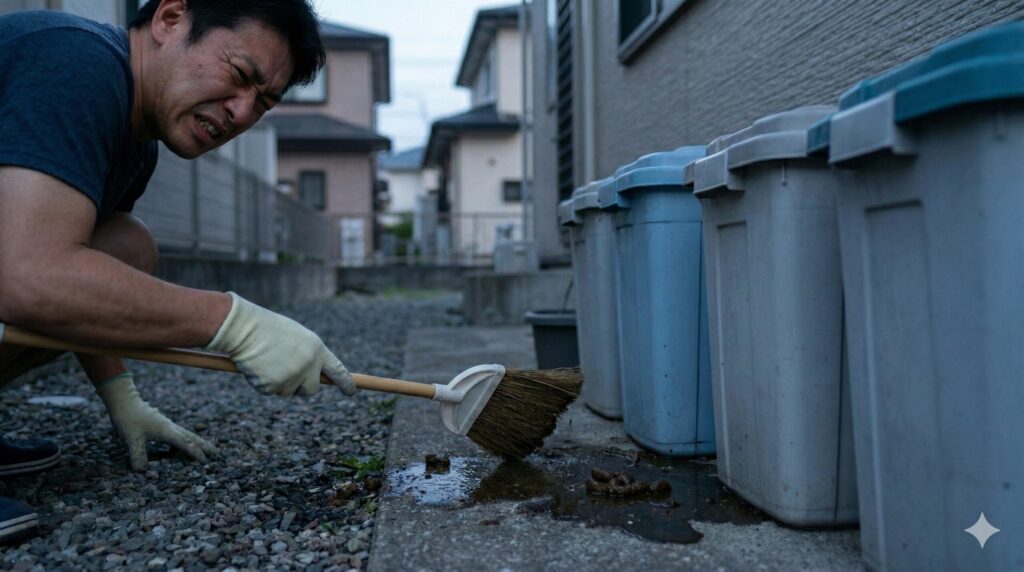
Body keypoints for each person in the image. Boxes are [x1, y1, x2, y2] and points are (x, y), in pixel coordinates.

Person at [0, 0, 356, 543]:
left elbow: (82, 276)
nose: (241, 112)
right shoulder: (75, 60)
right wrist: (234, 323)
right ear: (170, 19)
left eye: (262, 102)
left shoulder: (136, 143)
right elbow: (29, 274)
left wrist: (122, 393)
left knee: (124, 247)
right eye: (239, 76)